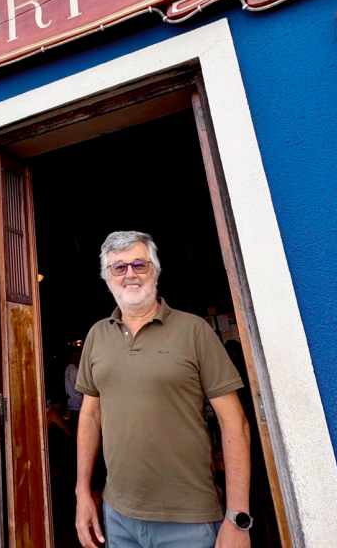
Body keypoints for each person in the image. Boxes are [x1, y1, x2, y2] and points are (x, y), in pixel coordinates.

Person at [75, 231, 253, 548]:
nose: (130, 274)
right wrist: (82, 492)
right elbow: (90, 415)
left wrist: (238, 517)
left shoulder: (194, 330)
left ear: (155, 271)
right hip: (118, 516)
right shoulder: (97, 336)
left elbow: (234, 423)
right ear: (107, 278)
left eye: (139, 264)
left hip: (189, 520)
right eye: (119, 267)